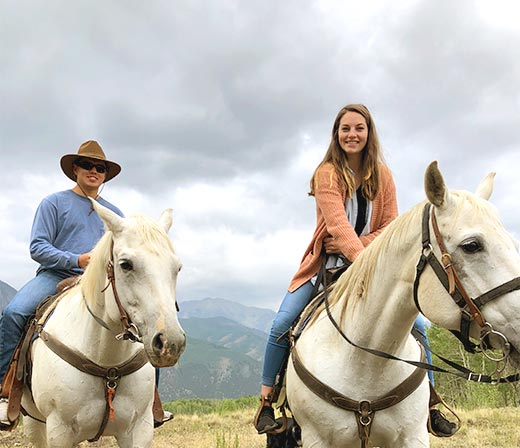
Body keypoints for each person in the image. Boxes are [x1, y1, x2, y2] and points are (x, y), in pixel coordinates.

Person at [254, 104, 457, 437]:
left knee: (417, 326)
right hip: (327, 268)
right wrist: (365, 258)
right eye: (345, 128)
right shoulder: (327, 173)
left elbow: (390, 227)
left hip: (374, 268)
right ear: (337, 133)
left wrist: (370, 256)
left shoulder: (383, 175)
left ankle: (431, 402)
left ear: (368, 133)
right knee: (282, 322)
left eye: (358, 128)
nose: (352, 134)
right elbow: (337, 227)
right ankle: (267, 400)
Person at [0, 141, 172, 426]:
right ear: (75, 169)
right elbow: (38, 247)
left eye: (100, 168)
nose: (94, 171)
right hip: (55, 276)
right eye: (88, 165)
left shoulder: (114, 212)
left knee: (147, 321)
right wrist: (76, 260)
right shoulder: (53, 203)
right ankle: (5, 392)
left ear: (105, 175)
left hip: (103, 282)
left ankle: (151, 402)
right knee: (14, 313)